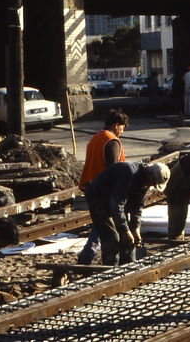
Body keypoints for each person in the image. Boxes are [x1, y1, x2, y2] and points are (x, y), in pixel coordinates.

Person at [85, 161, 170, 266]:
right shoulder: (130, 174)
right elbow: (116, 204)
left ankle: (128, 264)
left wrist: (135, 228)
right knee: (112, 237)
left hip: (115, 201)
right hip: (98, 199)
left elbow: (138, 206)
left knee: (129, 238)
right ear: (150, 174)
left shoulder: (145, 181)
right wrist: (125, 230)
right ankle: (110, 268)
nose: (153, 185)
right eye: (154, 181)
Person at [76, 109, 129, 265]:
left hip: (91, 186)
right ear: (116, 125)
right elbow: (114, 170)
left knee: (100, 225)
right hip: (103, 190)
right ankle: (87, 255)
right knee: (105, 226)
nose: (122, 132)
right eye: (123, 127)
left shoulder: (96, 137)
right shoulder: (111, 140)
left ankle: (86, 256)